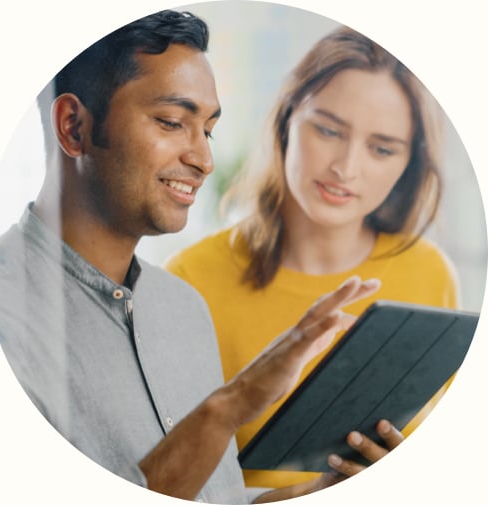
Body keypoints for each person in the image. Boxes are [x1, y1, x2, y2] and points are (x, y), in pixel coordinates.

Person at [0, 10, 403, 504]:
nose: (203, 160)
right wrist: (231, 405)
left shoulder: (184, 308)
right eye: (171, 122)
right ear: (74, 126)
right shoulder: (0, 315)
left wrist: (326, 488)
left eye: (207, 129)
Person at [165, 25, 459, 490]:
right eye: (327, 129)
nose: (346, 167)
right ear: (286, 121)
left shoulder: (429, 272)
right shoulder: (187, 282)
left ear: (409, 164)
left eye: (382, 148)